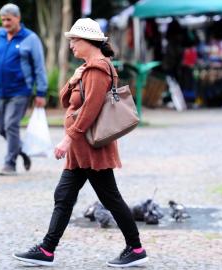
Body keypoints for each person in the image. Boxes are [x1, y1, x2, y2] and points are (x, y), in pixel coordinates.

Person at [12, 18, 148, 268]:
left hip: (91, 148)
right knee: (63, 195)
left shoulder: (97, 69)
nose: (71, 45)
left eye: (74, 40)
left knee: (110, 199)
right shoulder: (87, 69)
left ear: (88, 41)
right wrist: (74, 79)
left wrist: (67, 139)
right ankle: (47, 249)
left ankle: (136, 247)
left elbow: (91, 110)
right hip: (82, 148)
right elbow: (66, 101)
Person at [0, 3, 47, 176]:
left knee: (11, 125)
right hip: (0, 91)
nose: (5, 23)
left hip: (21, 91)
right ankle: (22, 151)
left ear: (18, 18)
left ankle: (9, 164)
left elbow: (39, 67)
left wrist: (41, 92)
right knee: (1, 128)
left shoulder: (31, 39)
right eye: (3, 20)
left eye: (9, 19)